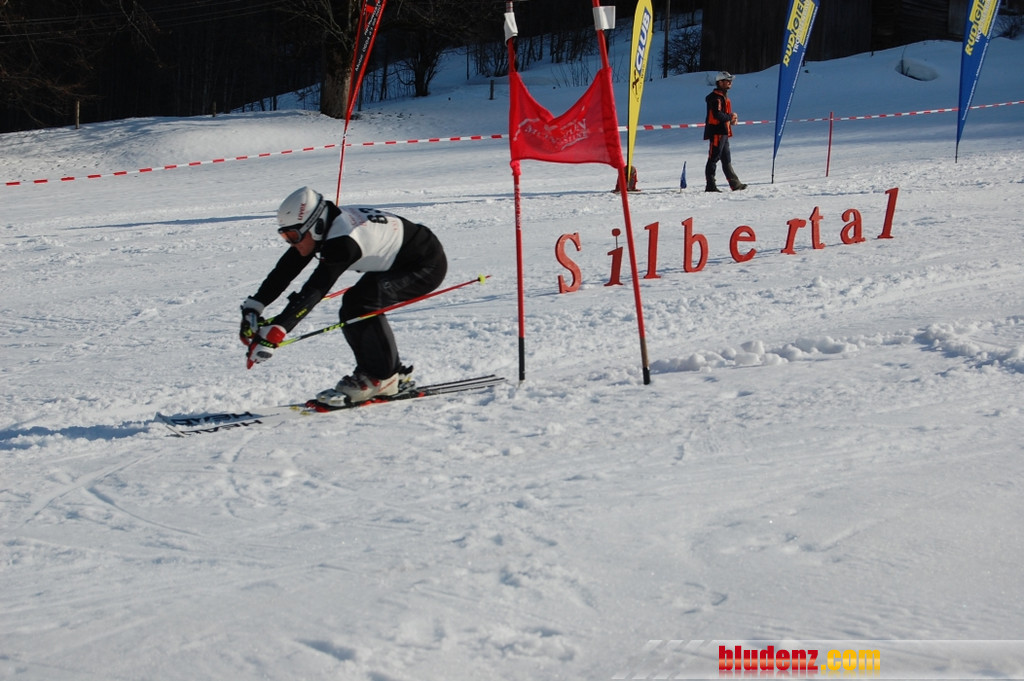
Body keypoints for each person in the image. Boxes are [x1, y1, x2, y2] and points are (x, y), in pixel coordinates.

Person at [240, 187, 447, 405]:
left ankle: (383, 377)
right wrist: (255, 305)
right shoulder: (321, 225)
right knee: (356, 303)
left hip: (426, 265)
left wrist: (278, 330)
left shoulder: (343, 240)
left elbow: (315, 289)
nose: (291, 243)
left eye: (293, 236)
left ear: (316, 226)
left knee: (361, 303)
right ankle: (384, 372)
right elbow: (286, 269)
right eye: (285, 236)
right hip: (403, 257)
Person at [704, 71, 747, 193]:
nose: (730, 82)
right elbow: (717, 115)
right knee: (713, 158)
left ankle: (735, 184)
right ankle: (710, 185)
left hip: (723, 132)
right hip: (717, 132)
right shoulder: (716, 98)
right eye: (727, 80)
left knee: (726, 159)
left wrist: (730, 119)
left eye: (730, 80)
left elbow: (722, 115)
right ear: (720, 82)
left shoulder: (722, 96)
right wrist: (730, 117)